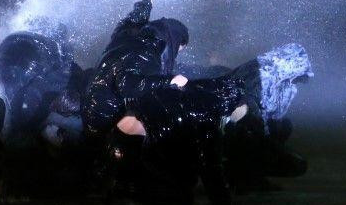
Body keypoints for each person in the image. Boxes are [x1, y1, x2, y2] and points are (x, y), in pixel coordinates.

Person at [108, 76, 248, 204]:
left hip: (157, 172)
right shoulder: (208, 113)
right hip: (169, 176)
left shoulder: (158, 100)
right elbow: (211, 169)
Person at [82, 15, 190, 139]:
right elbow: (126, 84)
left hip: (90, 106)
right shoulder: (148, 52)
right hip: (103, 118)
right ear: (173, 41)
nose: (174, 55)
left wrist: (145, 6)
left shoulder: (132, 37)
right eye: (177, 49)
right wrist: (169, 81)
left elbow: (128, 21)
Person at [224, 43, 312, 190]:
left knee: (282, 126)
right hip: (235, 131)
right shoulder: (262, 76)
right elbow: (251, 115)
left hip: (245, 129)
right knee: (295, 164)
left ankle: (250, 175)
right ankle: (239, 176)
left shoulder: (277, 77)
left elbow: (269, 116)